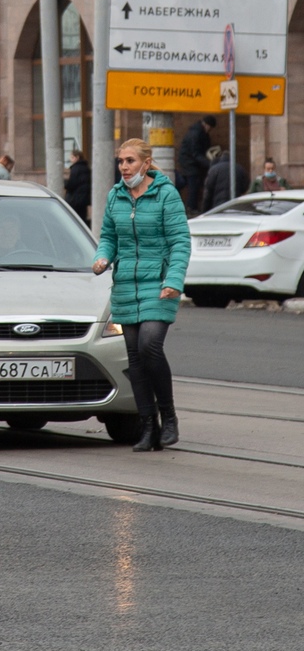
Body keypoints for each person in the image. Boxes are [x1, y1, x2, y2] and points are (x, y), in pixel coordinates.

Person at [92, 139, 191, 452]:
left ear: (146, 164)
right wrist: (103, 257)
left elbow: (180, 242)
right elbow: (108, 236)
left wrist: (173, 279)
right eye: (121, 161)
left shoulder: (166, 194)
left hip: (159, 284)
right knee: (134, 357)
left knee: (150, 345)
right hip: (125, 285)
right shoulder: (115, 195)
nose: (124, 167)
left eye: (130, 161)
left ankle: (169, 418)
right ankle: (148, 427)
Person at [178, 115, 216, 212]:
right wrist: (208, 163)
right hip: (190, 163)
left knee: (193, 184)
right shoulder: (196, 133)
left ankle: (191, 206)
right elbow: (195, 153)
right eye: (210, 128)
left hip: (190, 162)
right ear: (206, 125)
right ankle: (191, 207)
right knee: (193, 185)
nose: (210, 130)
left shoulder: (199, 132)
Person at [65, 149, 92, 225]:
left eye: (72, 157)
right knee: (82, 218)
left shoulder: (75, 168)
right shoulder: (86, 168)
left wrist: (66, 185)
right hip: (84, 199)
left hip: (75, 199)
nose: (71, 159)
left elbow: (72, 183)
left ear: (77, 157)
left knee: (74, 219)